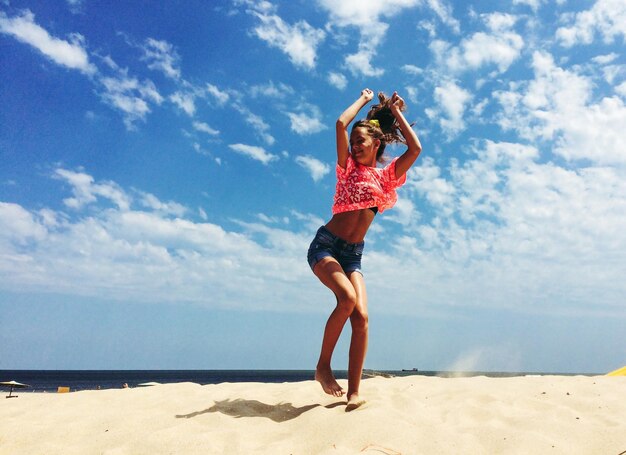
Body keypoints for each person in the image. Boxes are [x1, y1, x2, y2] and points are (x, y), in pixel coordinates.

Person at [307, 88, 422, 411]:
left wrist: (396, 112)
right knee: (347, 299)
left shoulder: (386, 179)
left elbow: (415, 148)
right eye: (354, 142)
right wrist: (364, 100)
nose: (355, 146)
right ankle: (323, 367)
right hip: (325, 247)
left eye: (362, 142)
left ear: (377, 144)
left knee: (362, 317)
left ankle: (354, 392)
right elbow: (340, 125)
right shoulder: (347, 170)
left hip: (353, 256)